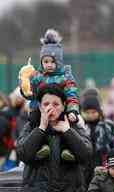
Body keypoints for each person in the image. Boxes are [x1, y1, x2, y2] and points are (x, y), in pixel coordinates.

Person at [16, 86, 92, 192]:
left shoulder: (75, 126)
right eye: (46, 103)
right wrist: (41, 128)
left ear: (64, 105)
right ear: (40, 106)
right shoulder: (31, 126)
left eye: (56, 104)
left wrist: (67, 131)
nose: (51, 108)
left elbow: (86, 154)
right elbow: (23, 153)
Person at [19, 28, 80, 161]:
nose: (49, 65)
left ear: (59, 62)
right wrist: (24, 88)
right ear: (41, 62)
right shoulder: (37, 77)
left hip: (60, 110)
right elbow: (32, 94)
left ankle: (67, 149)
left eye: (53, 62)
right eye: (46, 62)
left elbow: (71, 94)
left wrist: (73, 110)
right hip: (41, 110)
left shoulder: (65, 76)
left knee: (67, 123)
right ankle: (42, 147)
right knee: (34, 119)